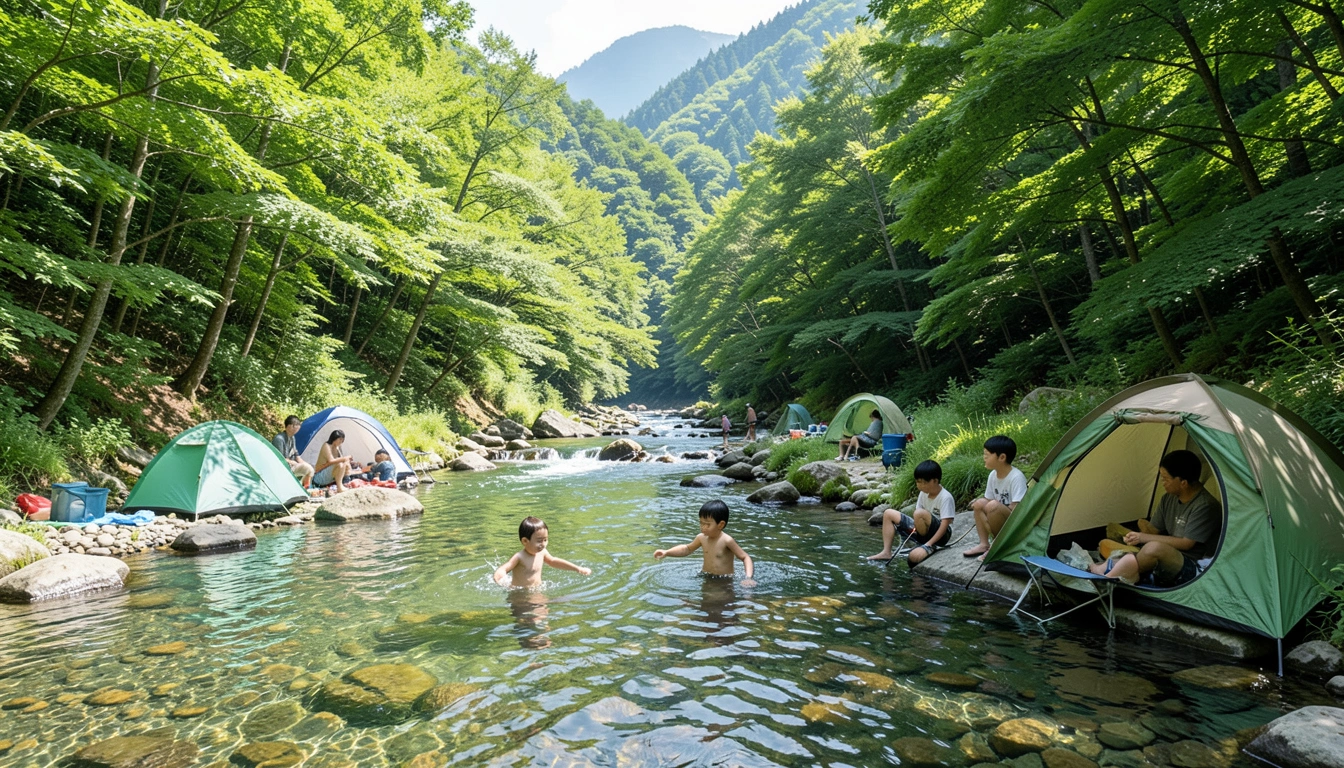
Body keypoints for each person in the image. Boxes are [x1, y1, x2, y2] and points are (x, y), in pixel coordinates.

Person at [1089, 450, 1220, 587]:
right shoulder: (1169, 498)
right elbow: (1153, 531)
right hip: (1166, 557)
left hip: (1194, 567)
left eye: (1165, 479)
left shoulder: (1205, 506)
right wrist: (1133, 536)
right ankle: (1121, 568)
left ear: (1183, 483)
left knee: (1153, 548)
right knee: (1127, 543)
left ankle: (1116, 573)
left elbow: (1186, 543)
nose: (1162, 482)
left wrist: (1142, 537)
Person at [866, 459, 955, 566]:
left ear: (935, 481)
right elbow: (918, 518)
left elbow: (945, 525)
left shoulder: (946, 497)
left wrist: (928, 545)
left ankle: (925, 544)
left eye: (923, 482)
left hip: (941, 536)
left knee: (919, 513)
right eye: (918, 482)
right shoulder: (923, 494)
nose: (920, 486)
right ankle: (886, 552)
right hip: (922, 531)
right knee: (888, 513)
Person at [655, 499, 756, 586]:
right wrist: (667, 552)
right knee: (706, 603)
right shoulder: (701, 538)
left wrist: (748, 578)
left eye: (707, 524)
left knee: (723, 603)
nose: (703, 527)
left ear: (720, 524)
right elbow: (687, 549)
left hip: (724, 581)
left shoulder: (726, 540)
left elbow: (745, 557)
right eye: (701, 523)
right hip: (706, 577)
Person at [963, 435, 1028, 560]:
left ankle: (998, 546)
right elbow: (987, 500)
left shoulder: (1016, 477)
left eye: (987, 455)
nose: (984, 458)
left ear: (1002, 457)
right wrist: (982, 509)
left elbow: (1017, 510)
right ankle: (984, 544)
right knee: (979, 503)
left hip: (1015, 525)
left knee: (993, 506)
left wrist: (992, 513)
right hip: (999, 518)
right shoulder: (993, 475)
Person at [494, 516, 592, 588]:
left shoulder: (542, 552)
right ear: (525, 541)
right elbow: (504, 568)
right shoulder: (519, 557)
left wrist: (577, 568)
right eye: (539, 540)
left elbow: (553, 561)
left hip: (537, 591)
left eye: (545, 540)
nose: (543, 544)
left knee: (543, 613)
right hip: (519, 595)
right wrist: (499, 576)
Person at [272, 415, 314, 488]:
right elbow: (279, 458)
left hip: (291, 465)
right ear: (288, 426)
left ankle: (305, 488)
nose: (296, 428)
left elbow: (296, 455)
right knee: (307, 468)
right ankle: (303, 488)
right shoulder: (279, 439)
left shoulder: (292, 438)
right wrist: (293, 463)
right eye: (294, 425)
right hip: (282, 467)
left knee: (310, 468)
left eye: (297, 425)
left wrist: (304, 463)